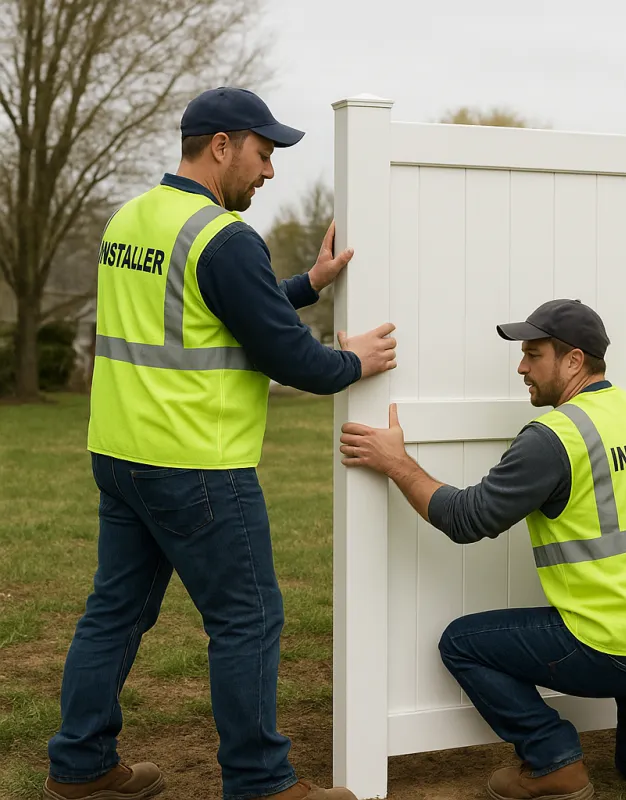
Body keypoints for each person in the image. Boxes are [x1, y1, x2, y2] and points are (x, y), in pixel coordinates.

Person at [44, 87, 397, 800]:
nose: (268, 172)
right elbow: (291, 359)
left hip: (121, 456)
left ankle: (80, 766)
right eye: (264, 155)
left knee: (114, 611)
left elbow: (204, 309)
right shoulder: (224, 238)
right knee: (250, 618)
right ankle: (262, 783)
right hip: (199, 466)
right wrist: (355, 361)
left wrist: (307, 284)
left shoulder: (130, 219)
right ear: (222, 145)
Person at [339, 299, 626, 800]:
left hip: (616, 646)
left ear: (573, 360)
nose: (521, 367)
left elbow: (467, 519)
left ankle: (551, 757)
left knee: (462, 643)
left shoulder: (556, 437)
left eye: (533, 354)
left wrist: (397, 463)